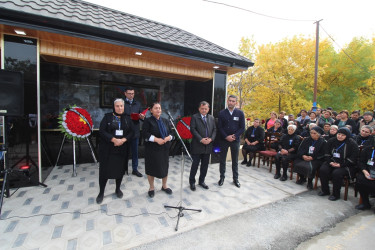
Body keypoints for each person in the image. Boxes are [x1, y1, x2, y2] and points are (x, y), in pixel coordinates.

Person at [97, 98, 134, 204]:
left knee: (119, 170)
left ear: (124, 106)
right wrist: (113, 139)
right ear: (114, 107)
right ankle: (101, 192)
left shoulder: (127, 118)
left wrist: (123, 139)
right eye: (117, 106)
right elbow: (102, 131)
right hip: (108, 149)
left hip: (122, 149)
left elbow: (132, 132)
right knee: (104, 172)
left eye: (121, 106)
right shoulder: (107, 117)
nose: (119, 108)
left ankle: (117, 189)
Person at [142, 103, 174, 198]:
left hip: (164, 149)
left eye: (159, 108)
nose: (158, 110)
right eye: (156, 108)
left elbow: (172, 132)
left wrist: (169, 137)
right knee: (151, 168)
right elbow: (145, 134)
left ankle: (164, 186)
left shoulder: (165, 120)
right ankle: (151, 187)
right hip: (152, 149)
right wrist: (157, 140)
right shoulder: (148, 121)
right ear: (151, 110)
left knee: (164, 167)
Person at [318, 127, 359, 201]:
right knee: (323, 169)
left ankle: (336, 194)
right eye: (339, 134)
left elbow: (353, 158)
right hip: (332, 161)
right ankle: (325, 190)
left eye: (342, 135)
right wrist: (330, 162)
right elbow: (326, 153)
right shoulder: (332, 141)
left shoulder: (352, 143)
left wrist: (341, 165)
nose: (340, 136)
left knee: (336, 173)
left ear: (347, 135)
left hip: (345, 164)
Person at [217, 95, 245, 188]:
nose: (231, 102)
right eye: (230, 101)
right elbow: (220, 127)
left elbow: (242, 128)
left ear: (236, 103)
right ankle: (222, 178)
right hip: (224, 140)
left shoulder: (240, 113)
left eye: (233, 101)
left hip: (235, 140)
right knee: (222, 160)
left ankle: (235, 179)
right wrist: (226, 136)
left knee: (235, 161)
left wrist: (234, 136)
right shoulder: (221, 113)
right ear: (227, 101)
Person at [189, 101, 217, 191]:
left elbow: (214, 130)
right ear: (199, 109)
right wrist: (201, 139)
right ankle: (192, 182)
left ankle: (201, 181)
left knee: (205, 165)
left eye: (206, 109)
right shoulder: (194, 117)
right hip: (197, 145)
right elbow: (193, 129)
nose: (204, 110)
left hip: (208, 145)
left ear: (208, 109)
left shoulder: (211, 118)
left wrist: (211, 139)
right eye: (202, 108)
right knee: (195, 165)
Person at [123, 87, 145, 177]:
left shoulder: (137, 104)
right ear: (125, 93)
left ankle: (135, 169)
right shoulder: (122, 103)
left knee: (135, 152)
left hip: (135, 131)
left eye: (132, 93)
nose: (131, 95)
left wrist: (142, 117)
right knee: (124, 152)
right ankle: (123, 169)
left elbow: (142, 117)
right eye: (129, 93)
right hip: (125, 132)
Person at [355, 144, 375, 210]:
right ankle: (365, 203)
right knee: (360, 180)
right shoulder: (368, 149)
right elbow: (361, 162)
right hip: (368, 172)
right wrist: (365, 171)